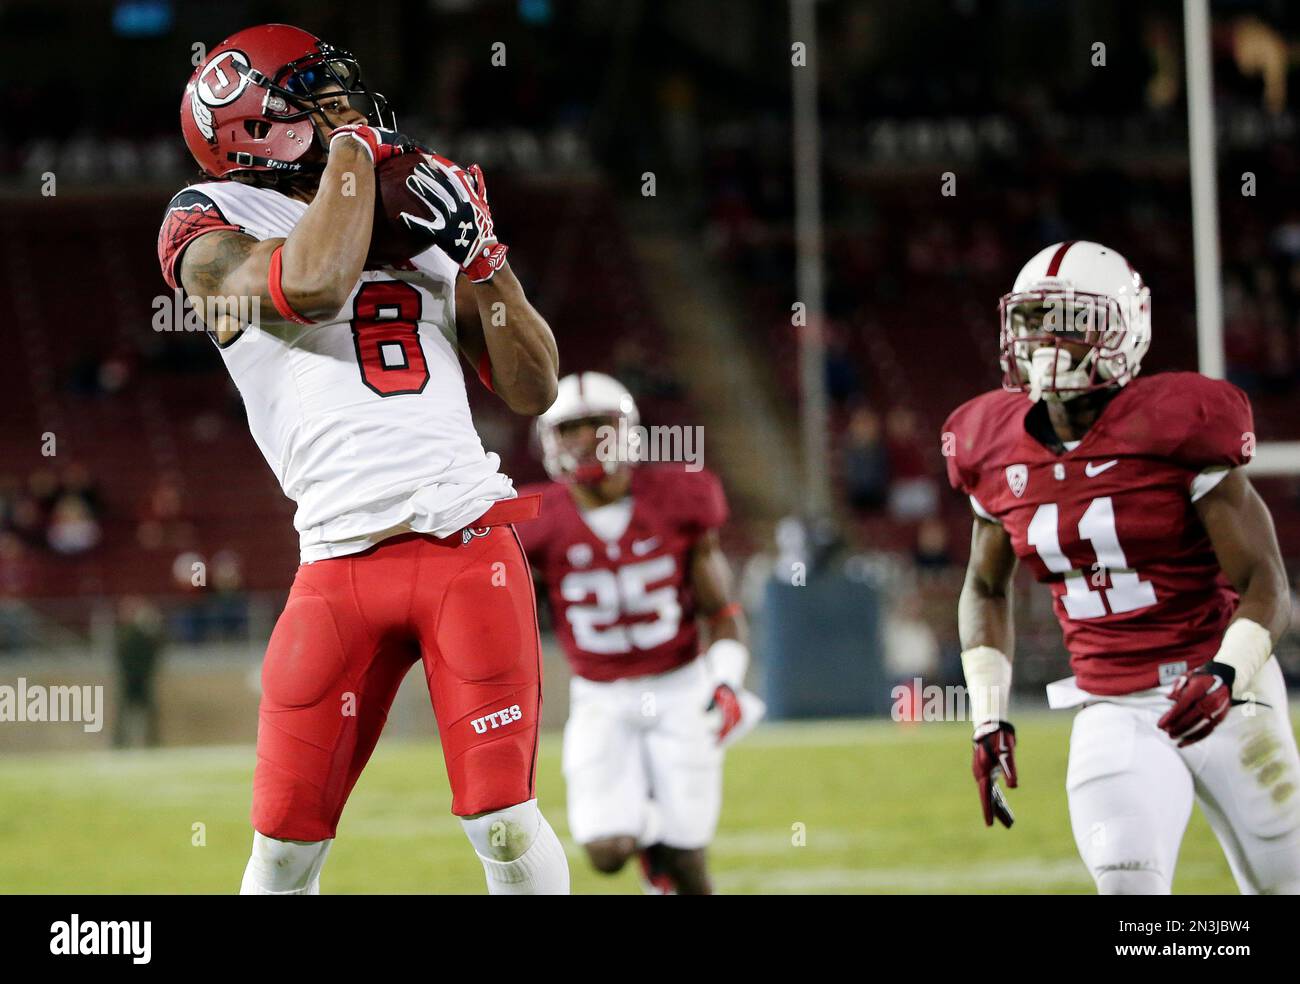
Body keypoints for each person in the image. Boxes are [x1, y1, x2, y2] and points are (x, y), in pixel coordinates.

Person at [156, 24, 564, 895]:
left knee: (501, 820)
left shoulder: (407, 208)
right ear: (249, 130)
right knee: (283, 846)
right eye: (313, 95)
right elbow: (310, 285)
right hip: (336, 563)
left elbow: (533, 389)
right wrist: (351, 152)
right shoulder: (209, 219)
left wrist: (484, 255)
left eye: (339, 92)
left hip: (465, 542)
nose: (345, 108)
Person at [944, 240, 1300, 894]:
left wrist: (1225, 674)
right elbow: (985, 586)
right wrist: (989, 714)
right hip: (1112, 704)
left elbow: (1267, 584)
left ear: (1123, 328)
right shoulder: (989, 443)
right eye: (1030, 321)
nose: (1044, 341)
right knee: (1127, 890)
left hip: (1227, 694)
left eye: (1070, 322)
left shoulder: (1177, 426)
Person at [517, 372, 764, 894]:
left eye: (597, 426)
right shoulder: (534, 518)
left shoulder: (679, 496)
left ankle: (668, 849)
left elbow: (722, 611)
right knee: (605, 851)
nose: (584, 440)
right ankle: (651, 840)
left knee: (688, 856)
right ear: (549, 439)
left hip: (679, 687)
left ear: (625, 430)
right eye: (570, 429)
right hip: (600, 696)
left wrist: (726, 682)